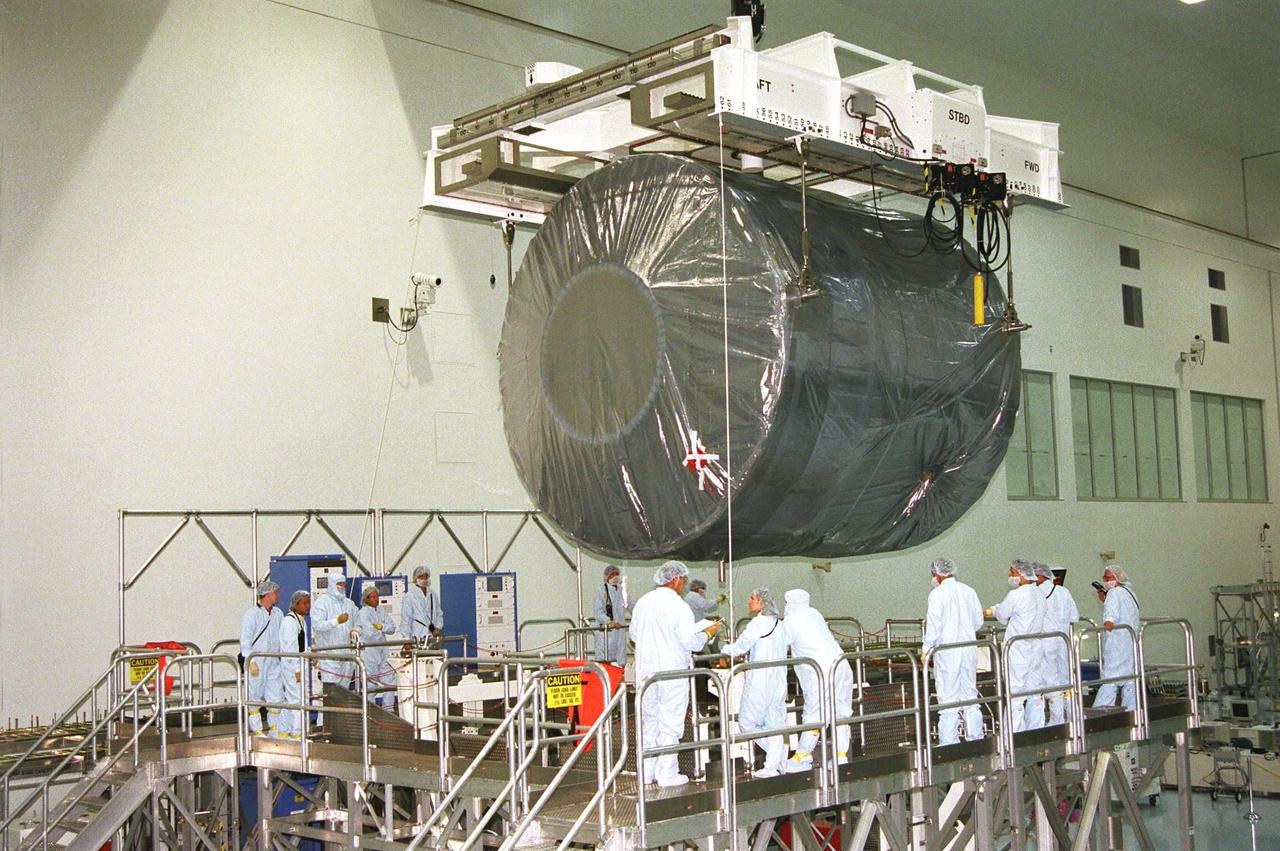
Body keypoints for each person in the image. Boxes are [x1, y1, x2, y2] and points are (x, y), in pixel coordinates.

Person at [629, 560, 723, 787]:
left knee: (649, 722)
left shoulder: (643, 602)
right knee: (670, 722)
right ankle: (667, 774)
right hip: (671, 671)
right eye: (683, 579)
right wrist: (708, 633)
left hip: (647, 672)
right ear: (676, 579)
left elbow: (633, 635)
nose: (684, 583)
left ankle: (646, 772)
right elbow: (691, 641)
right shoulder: (677, 606)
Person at [781, 589, 854, 773]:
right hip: (841, 665)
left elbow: (780, 644)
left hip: (820, 671)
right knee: (840, 713)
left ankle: (802, 757)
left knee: (815, 714)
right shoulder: (814, 613)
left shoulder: (791, 620)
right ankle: (840, 756)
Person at [721, 587, 789, 777]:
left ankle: (774, 761)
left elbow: (740, 647)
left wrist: (723, 648)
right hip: (778, 679)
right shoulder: (779, 624)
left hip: (760, 680)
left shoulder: (757, 624)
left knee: (747, 723)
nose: (749, 602)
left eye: (752, 598)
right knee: (774, 722)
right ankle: (774, 763)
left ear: (761, 602)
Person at [921, 558, 985, 746]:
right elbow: (978, 622)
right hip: (968, 650)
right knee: (970, 697)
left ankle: (949, 744)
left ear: (936, 574)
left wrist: (926, 649)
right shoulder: (968, 591)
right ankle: (976, 739)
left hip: (947, 652)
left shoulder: (937, 595)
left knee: (948, 700)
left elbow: (934, 626)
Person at [985, 558, 1047, 732]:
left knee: (1016, 694)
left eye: (1012, 573)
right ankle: (1037, 731)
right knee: (1035, 692)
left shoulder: (1016, 595)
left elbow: (1003, 615)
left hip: (1018, 648)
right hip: (1036, 645)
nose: (1010, 576)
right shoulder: (1038, 593)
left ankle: (1014, 735)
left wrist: (992, 610)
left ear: (1020, 574)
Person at [1038, 564, 1080, 726]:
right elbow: (1074, 616)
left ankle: (1056, 719)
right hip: (1064, 641)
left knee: (1050, 681)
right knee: (1066, 679)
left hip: (1045, 643)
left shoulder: (1037, 592)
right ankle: (1073, 715)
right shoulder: (1064, 592)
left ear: (1041, 576)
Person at [1093, 566, 1140, 711]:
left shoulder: (1113, 594)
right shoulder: (1129, 592)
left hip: (1117, 644)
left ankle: (1098, 715)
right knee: (1129, 680)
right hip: (1130, 642)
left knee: (1110, 680)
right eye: (1104, 579)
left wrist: (1106, 620)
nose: (1106, 582)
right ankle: (1132, 712)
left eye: (1108, 578)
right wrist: (1105, 600)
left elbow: (1109, 622)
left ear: (1117, 578)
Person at [240, 580, 283, 737]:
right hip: (257, 660)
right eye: (275, 592)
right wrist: (250, 660)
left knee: (276, 697)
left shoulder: (278, 613)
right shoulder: (252, 614)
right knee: (254, 696)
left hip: (274, 660)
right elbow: (245, 640)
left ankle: (275, 731)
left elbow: (282, 637)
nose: (278, 595)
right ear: (267, 594)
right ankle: (257, 731)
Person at [311, 570, 357, 689]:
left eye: (343, 584)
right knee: (331, 690)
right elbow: (317, 625)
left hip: (346, 655)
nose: (342, 587)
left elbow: (358, 622)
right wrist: (336, 621)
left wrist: (356, 630)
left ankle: (344, 708)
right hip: (329, 656)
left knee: (345, 690)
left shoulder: (349, 604)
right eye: (339, 584)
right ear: (332, 584)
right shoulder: (322, 602)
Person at [355, 584, 399, 709]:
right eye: (373, 597)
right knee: (371, 686)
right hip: (369, 654)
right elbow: (370, 634)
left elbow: (392, 628)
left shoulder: (381, 610)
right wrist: (382, 629)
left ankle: (388, 709)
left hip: (383, 653)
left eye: (377, 596)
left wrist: (381, 627)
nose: (376, 599)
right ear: (366, 599)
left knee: (390, 680)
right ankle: (370, 712)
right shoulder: (363, 613)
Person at [277, 590, 311, 739]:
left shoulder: (301, 621)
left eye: (308, 603)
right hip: (292, 666)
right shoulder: (289, 622)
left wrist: (311, 656)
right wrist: (297, 669)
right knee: (297, 700)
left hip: (299, 663)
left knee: (291, 699)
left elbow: (303, 645)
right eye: (304, 603)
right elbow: (291, 649)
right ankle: (297, 734)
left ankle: (283, 731)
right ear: (295, 605)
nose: (307, 606)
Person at [593, 565, 632, 668]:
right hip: (607, 634)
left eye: (616, 574)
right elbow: (598, 612)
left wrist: (641, 612)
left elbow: (631, 604)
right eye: (612, 575)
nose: (615, 577)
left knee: (620, 662)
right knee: (605, 663)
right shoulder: (602, 590)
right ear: (607, 577)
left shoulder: (621, 591)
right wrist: (610, 622)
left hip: (619, 633)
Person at [400, 565, 444, 645]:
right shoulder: (410, 596)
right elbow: (406, 619)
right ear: (416, 578)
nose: (424, 579)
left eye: (426, 576)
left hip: (432, 637)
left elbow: (439, 613)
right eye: (421, 577)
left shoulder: (432, 594)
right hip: (417, 637)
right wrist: (407, 640)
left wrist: (438, 627)